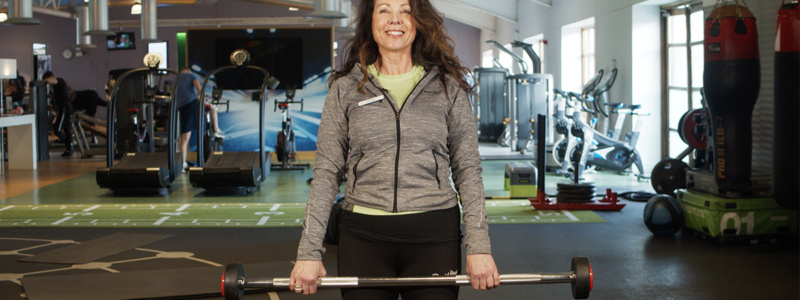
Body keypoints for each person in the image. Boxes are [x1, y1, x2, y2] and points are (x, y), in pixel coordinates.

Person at [290, 0, 499, 299]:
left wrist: (479, 246)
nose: (395, 19)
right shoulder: (346, 88)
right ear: (370, 21)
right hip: (363, 236)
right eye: (384, 9)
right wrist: (309, 251)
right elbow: (326, 172)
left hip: (434, 233)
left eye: (405, 10)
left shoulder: (447, 87)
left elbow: (467, 169)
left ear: (419, 21)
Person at [43, 71, 74, 157]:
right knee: (67, 129)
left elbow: (52, 80)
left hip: (64, 108)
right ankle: (69, 149)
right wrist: (51, 96)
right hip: (66, 108)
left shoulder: (59, 80)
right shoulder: (59, 84)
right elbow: (61, 95)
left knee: (57, 129)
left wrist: (45, 81)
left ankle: (67, 142)